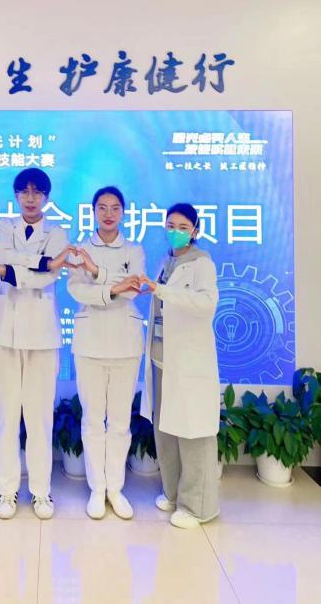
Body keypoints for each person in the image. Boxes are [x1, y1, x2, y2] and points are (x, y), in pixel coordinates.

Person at [0, 168, 75, 519]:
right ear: (17, 195)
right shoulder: (4, 226)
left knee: (39, 418)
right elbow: (5, 258)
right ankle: (6, 491)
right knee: (7, 416)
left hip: (42, 335)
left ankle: (41, 492)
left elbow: (47, 277)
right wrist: (43, 262)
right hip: (3, 331)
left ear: (46, 197)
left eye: (37, 192)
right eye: (25, 191)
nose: (31, 198)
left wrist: (11, 270)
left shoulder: (58, 232)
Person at [139, 202, 220, 529]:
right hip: (162, 358)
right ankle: (173, 493)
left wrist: (161, 290)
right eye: (170, 225)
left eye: (183, 227)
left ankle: (198, 506)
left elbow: (206, 304)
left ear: (196, 231)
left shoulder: (202, 264)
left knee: (193, 432)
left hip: (188, 362)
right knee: (166, 428)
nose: (175, 232)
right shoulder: (165, 262)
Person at [68, 186, 145, 520]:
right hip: (90, 343)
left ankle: (116, 487)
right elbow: (76, 290)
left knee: (119, 421)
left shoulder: (134, 249)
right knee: (92, 418)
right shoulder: (80, 250)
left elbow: (135, 287)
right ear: (94, 212)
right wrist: (115, 286)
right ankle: (97, 488)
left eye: (115, 208)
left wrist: (98, 274)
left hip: (126, 343)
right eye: (102, 207)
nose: (109, 214)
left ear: (123, 212)